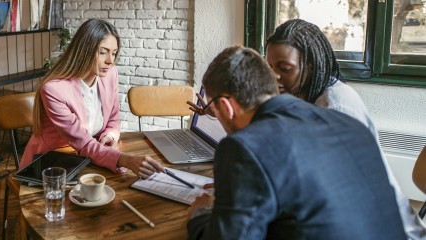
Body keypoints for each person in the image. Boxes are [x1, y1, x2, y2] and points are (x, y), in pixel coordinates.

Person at [186, 46, 405, 239]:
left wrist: (202, 214)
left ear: (225, 107)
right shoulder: (348, 122)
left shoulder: (243, 147)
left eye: (214, 110)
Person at [264, 19, 424, 239]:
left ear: (310, 67)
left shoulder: (335, 107)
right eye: (269, 67)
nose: (274, 77)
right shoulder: (302, 96)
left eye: (285, 68)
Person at [20, 19, 163, 178]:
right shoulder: (54, 90)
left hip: (89, 158)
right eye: (103, 52)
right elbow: (82, 142)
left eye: (114, 53)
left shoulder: (110, 75)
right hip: (51, 164)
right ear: (85, 50)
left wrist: (109, 136)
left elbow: (113, 119)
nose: (110, 60)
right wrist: (126, 160)